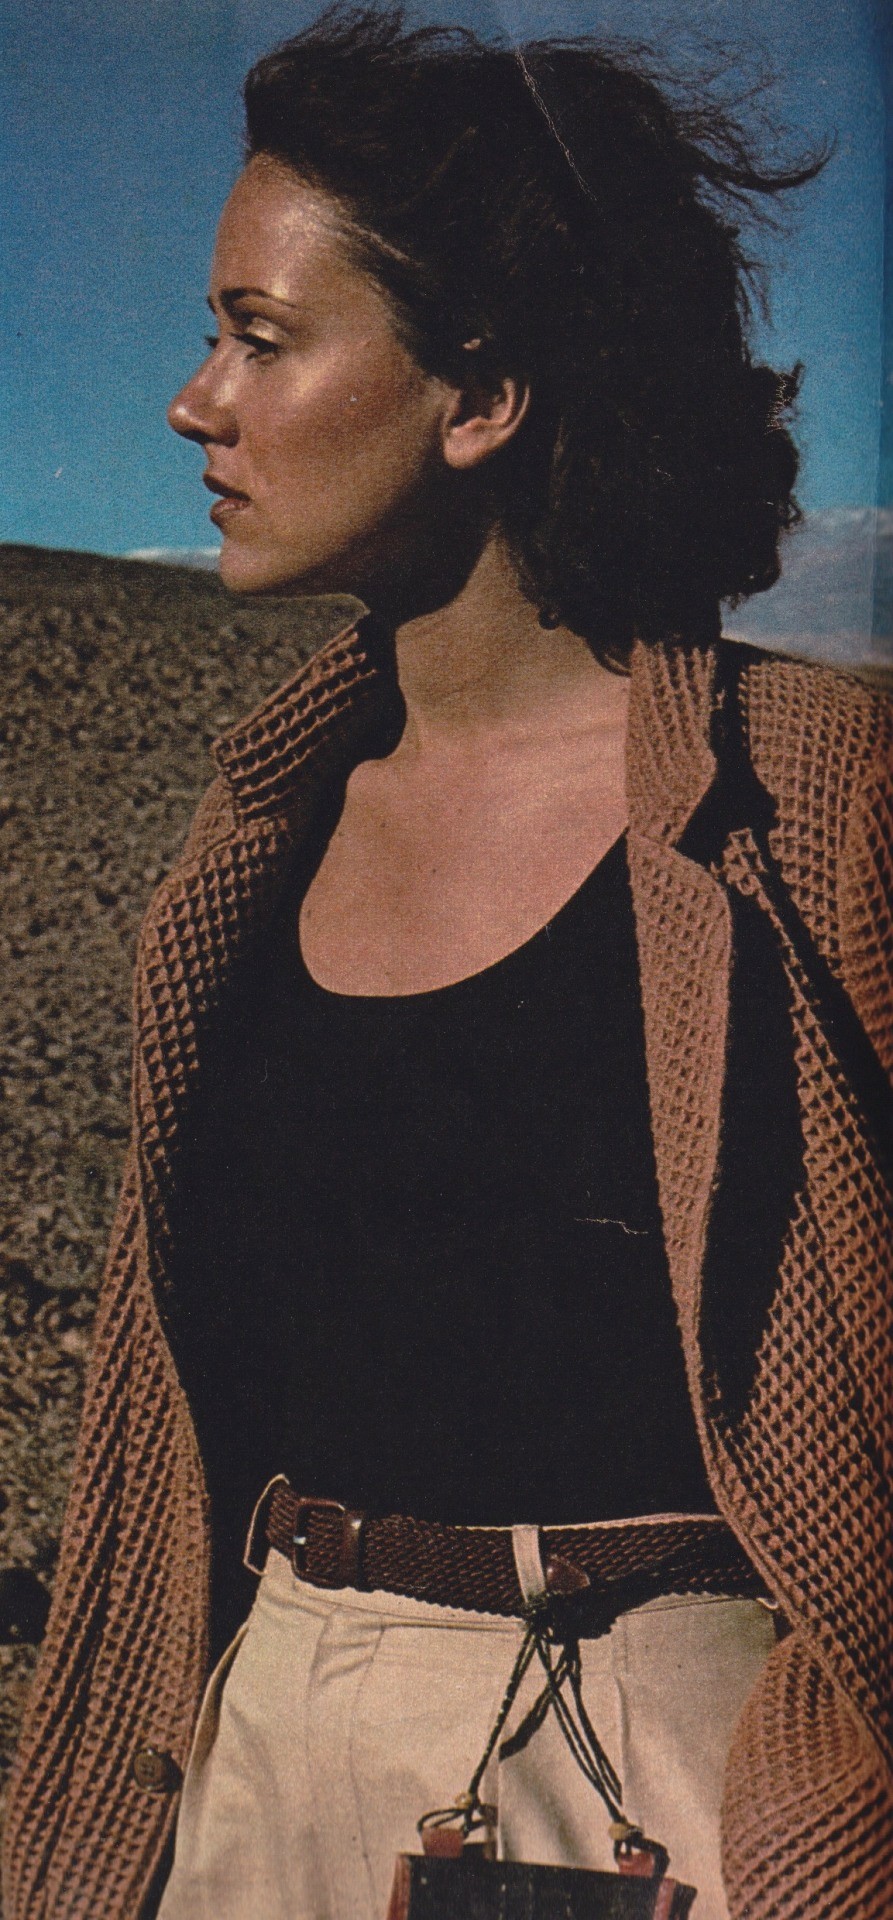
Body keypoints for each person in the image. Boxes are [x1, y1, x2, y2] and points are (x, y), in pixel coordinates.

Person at [4, 8, 891, 1919]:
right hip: (259, 1757)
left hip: (658, 1787)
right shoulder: (254, 835)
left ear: (478, 395)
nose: (193, 403)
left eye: (260, 336)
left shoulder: (808, 800)